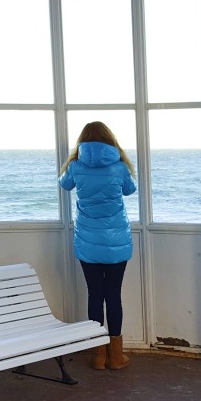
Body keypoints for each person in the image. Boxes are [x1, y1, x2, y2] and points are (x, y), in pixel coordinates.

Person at [58, 121, 136, 370]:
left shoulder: (76, 166)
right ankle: (116, 356)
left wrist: (72, 164)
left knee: (95, 294)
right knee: (113, 295)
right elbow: (130, 190)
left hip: (88, 241)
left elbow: (64, 184)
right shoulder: (120, 166)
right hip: (117, 241)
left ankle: (97, 356)